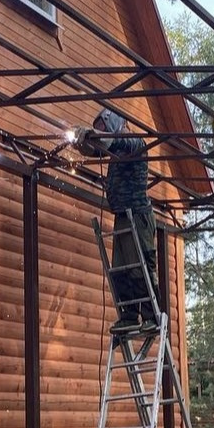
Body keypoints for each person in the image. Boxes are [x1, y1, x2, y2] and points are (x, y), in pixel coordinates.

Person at [73, 108, 161, 333]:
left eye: (103, 128)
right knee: (121, 269)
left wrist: (95, 135)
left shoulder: (135, 143)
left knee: (140, 267)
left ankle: (152, 316)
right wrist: (82, 143)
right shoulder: (114, 150)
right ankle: (129, 316)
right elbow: (95, 150)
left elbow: (118, 141)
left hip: (138, 215)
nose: (101, 132)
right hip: (122, 216)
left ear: (114, 126)